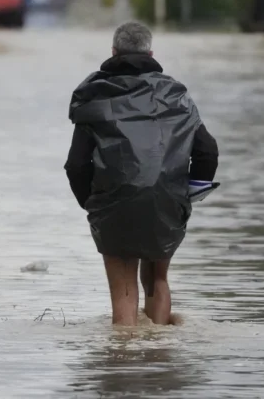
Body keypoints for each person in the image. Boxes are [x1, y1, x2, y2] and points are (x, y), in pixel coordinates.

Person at [64, 22, 219, 326]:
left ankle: (124, 359)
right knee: (157, 279)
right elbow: (207, 150)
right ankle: (159, 356)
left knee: (124, 289)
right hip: (167, 200)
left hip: (114, 203)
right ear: (151, 53)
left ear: (112, 52)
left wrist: (92, 203)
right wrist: (190, 193)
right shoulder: (178, 96)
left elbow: (77, 165)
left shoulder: (94, 96)